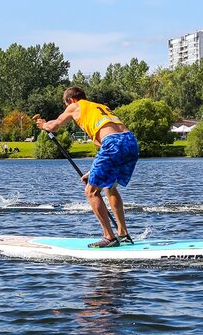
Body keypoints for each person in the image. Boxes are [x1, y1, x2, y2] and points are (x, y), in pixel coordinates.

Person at [35, 87, 139, 248]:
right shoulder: (100, 107)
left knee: (91, 191)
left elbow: (54, 125)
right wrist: (91, 173)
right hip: (130, 142)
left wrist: (43, 125)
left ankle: (109, 237)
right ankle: (124, 234)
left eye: (65, 105)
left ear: (70, 100)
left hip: (112, 143)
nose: (67, 109)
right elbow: (107, 151)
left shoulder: (76, 105)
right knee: (109, 187)